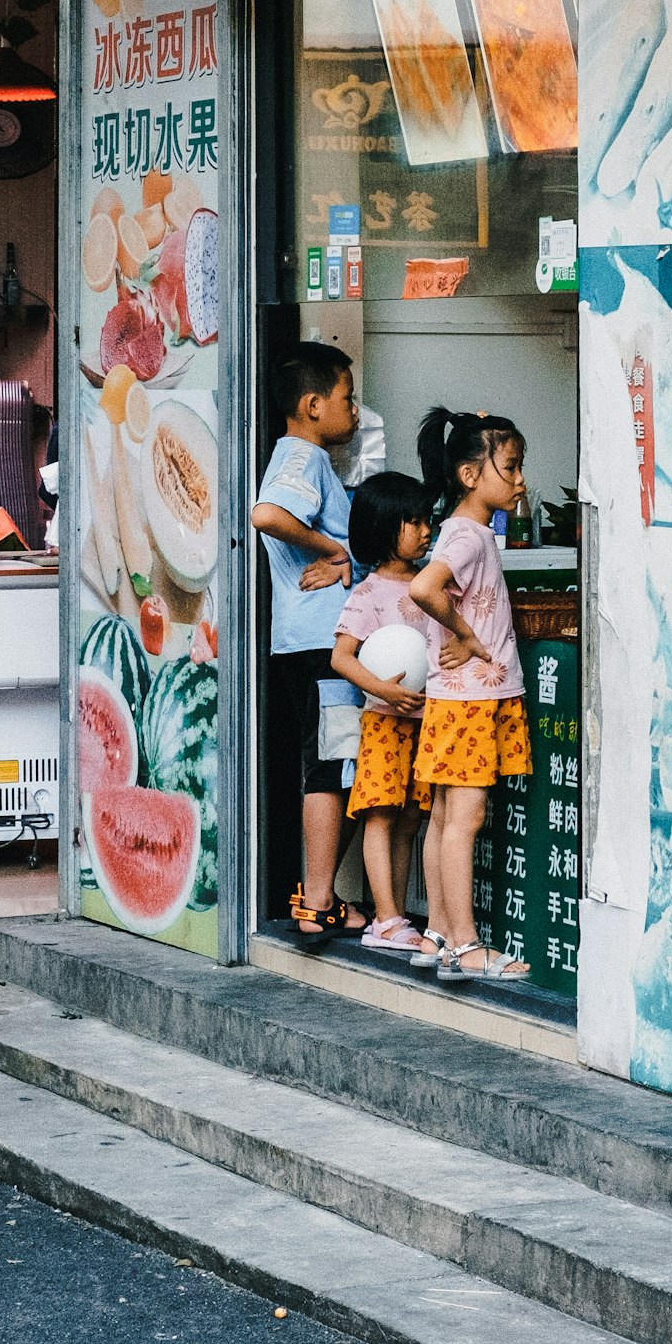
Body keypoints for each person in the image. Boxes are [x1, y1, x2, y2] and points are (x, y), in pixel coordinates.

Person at [408, 407, 533, 982]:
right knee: (464, 820)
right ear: (469, 474)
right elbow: (424, 587)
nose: (520, 480)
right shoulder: (467, 535)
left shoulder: (467, 531)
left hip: (455, 699)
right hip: (470, 701)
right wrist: (466, 635)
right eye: (509, 468)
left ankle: (438, 933)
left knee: (443, 818)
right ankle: (465, 945)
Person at [250, 343, 367, 945]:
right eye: (348, 397)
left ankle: (321, 895)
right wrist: (332, 550)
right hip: (322, 642)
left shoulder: (306, 457)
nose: (355, 408)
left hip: (313, 640)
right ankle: (318, 899)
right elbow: (266, 514)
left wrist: (339, 554)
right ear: (313, 405)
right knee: (331, 763)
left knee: (341, 762)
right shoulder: (303, 456)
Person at [329, 472, 433, 956]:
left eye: (426, 519)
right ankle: (387, 918)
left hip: (425, 721)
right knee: (381, 815)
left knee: (411, 819)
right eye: (413, 521)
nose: (425, 529)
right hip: (385, 723)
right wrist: (383, 692)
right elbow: (342, 657)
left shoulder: (430, 585)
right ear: (383, 527)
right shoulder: (369, 593)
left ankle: (394, 915)